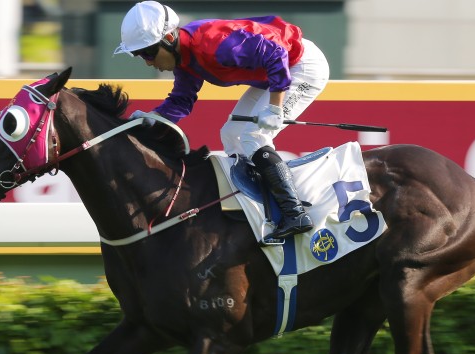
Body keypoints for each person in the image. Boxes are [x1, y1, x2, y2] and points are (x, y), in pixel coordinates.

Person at [114, 1, 330, 243]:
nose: (147, 61)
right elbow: (181, 102)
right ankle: (259, 211)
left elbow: (275, 52)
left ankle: (295, 214)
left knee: (254, 136)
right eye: (139, 54)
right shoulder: (184, 60)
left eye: (149, 52)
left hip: (300, 65)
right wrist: (152, 119)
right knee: (232, 134)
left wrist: (275, 107)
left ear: (168, 37)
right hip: (274, 72)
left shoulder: (213, 44)